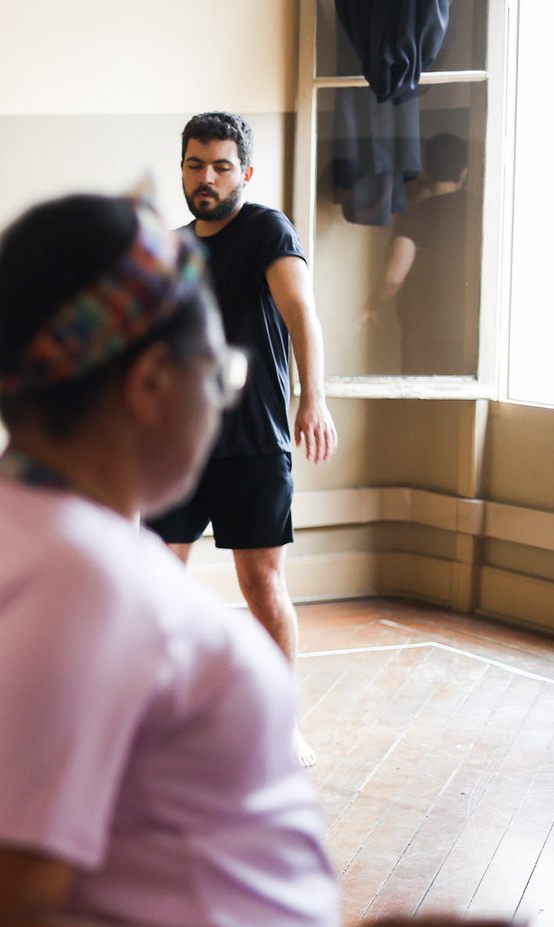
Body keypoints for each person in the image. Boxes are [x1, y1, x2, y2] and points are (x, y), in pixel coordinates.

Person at [0, 192, 527, 927]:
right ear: (152, 384)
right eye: (226, 375)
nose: (228, 394)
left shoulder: (6, 499)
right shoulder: (78, 589)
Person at [144, 111, 339, 768]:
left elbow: (303, 315)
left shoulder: (266, 230)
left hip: (255, 442)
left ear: (244, 172)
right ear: (182, 169)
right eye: (196, 164)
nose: (207, 177)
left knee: (262, 584)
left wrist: (314, 399)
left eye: (222, 165)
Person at [364, 133, 473, 375]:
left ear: (426, 168)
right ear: (464, 171)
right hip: (468, 328)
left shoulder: (415, 214)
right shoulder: (478, 209)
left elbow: (394, 276)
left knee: (417, 405)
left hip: (422, 329)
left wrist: (368, 306)